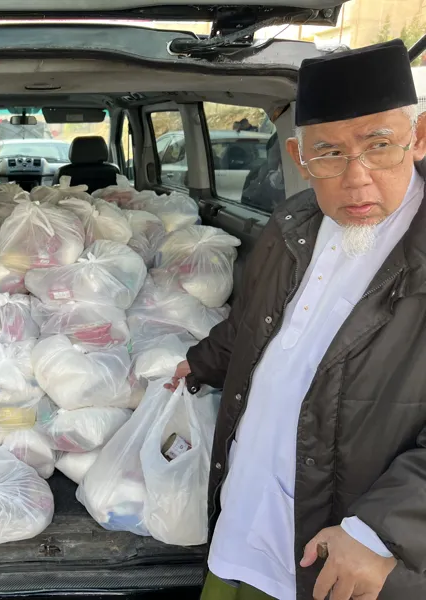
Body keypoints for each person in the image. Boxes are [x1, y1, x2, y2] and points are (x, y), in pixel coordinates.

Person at [171, 39, 426, 600]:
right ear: (298, 156)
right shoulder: (294, 224)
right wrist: (197, 364)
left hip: (344, 549)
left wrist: (384, 530)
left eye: (379, 146)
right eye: (329, 154)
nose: (356, 179)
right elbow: (252, 326)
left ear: (420, 136)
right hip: (246, 515)